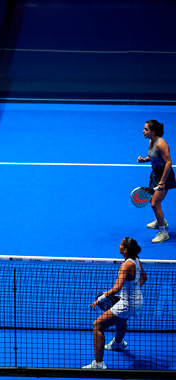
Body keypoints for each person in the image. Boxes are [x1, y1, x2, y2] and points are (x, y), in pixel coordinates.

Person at [83, 237, 147, 369]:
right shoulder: (136, 259)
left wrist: (100, 299)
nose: (119, 245)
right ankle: (118, 343)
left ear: (125, 250)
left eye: (121, 244)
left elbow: (116, 288)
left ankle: (98, 364)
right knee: (120, 319)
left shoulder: (125, 265)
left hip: (127, 304)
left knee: (97, 325)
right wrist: (131, 291)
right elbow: (143, 278)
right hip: (138, 301)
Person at [137, 119, 174, 243]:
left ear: (153, 131)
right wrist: (144, 159)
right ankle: (160, 221)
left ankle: (163, 232)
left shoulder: (161, 144)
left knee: (154, 203)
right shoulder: (151, 141)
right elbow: (152, 156)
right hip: (155, 174)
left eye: (146, 129)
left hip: (165, 175)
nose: (143, 131)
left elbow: (169, 162)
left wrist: (162, 182)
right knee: (154, 201)